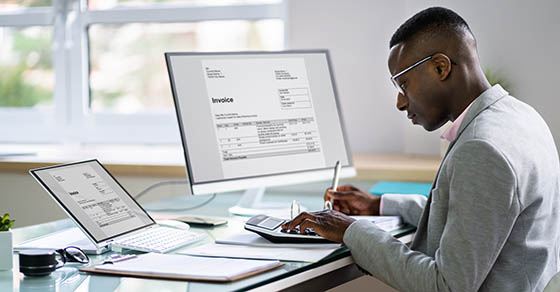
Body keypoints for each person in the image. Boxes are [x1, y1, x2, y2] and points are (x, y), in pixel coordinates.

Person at [283, 6, 560, 292]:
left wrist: (351, 231)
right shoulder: (521, 117)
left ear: (440, 67)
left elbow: (445, 286)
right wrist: (377, 205)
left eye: (404, 84)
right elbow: (469, 220)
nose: (400, 102)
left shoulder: (481, 148)